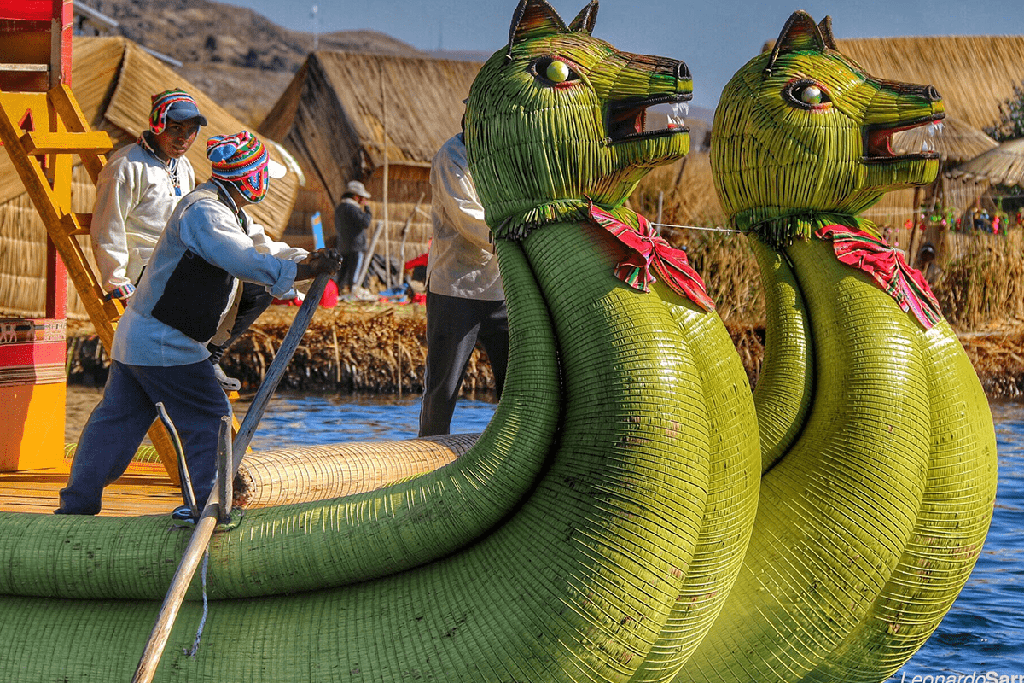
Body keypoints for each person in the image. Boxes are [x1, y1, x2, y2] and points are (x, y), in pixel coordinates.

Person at [57, 131, 340, 520]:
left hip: (144, 339)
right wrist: (302, 269)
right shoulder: (204, 212)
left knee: (116, 426)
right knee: (210, 418)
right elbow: (240, 258)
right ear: (248, 178)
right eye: (262, 175)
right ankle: (207, 508)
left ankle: (78, 504)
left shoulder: (228, 211)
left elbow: (261, 247)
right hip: (164, 343)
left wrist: (305, 258)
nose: (265, 184)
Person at [418, 133, 508, 437]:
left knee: (516, 384)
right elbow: (465, 215)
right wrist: (513, 238)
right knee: (443, 387)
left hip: (501, 287)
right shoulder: (452, 156)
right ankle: (427, 456)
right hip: (455, 287)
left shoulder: (513, 152)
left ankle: (514, 453)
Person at [90, 89, 206, 303]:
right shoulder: (126, 166)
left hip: (175, 261)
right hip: (143, 268)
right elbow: (108, 225)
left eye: (191, 130)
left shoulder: (184, 167)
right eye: (175, 128)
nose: (183, 138)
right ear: (157, 125)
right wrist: (116, 281)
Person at [333, 180, 373, 294]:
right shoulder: (354, 209)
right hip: (356, 245)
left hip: (343, 244)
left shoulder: (340, 208)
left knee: (343, 270)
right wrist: (368, 210)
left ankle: (339, 291)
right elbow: (365, 222)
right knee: (354, 271)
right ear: (356, 197)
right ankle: (352, 291)